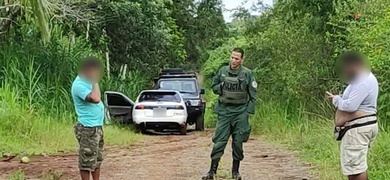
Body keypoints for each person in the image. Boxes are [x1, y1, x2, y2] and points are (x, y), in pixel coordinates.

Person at [202, 47, 257, 180]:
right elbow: (214, 87)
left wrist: (248, 112)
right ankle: (212, 171)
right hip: (225, 111)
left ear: (242, 60)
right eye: (232, 57)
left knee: (238, 142)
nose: (233, 60)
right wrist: (220, 87)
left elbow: (253, 95)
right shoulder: (222, 71)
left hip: (240, 112)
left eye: (236, 58)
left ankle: (235, 172)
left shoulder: (247, 74)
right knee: (219, 141)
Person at [327, 51, 379, 180]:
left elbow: (351, 106)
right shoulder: (363, 78)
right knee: (355, 166)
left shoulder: (362, 80)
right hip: (359, 127)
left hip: (357, 128)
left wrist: (336, 100)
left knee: (356, 169)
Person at [71, 56, 105, 180]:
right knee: (87, 160)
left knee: (96, 159)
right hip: (87, 128)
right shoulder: (79, 84)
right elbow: (96, 98)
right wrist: (95, 81)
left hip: (96, 126)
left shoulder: (87, 82)